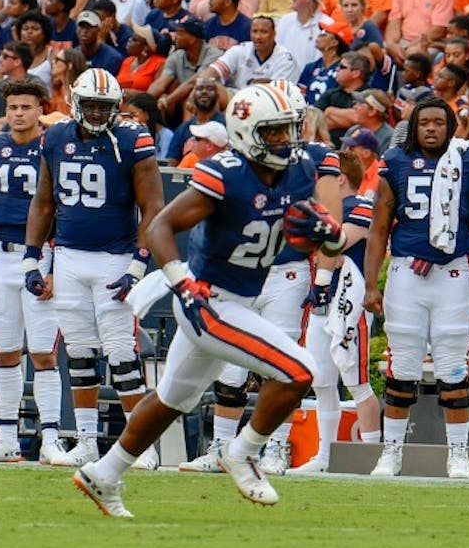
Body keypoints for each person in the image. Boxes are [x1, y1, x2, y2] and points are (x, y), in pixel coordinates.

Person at [72, 84, 338, 517]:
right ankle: (243, 451)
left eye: (290, 129)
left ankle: (103, 473)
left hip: (242, 298)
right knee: (298, 371)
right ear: (247, 132)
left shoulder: (301, 169)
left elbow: (310, 235)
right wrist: (181, 283)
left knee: (172, 399)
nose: (286, 141)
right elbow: (160, 227)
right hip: (208, 300)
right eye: (274, 132)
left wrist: (328, 234)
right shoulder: (225, 173)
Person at [22, 68, 166, 469]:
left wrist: (138, 263)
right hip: (69, 256)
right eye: (91, 106)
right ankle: (86, 441)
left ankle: (140, 446)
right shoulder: (55, 137)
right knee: (80, 353)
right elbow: (43, 202)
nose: (99, 114)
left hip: (115, 257)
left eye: (105, 107)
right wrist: (32, 258)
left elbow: (153, 205)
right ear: (75, 103)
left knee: (122, 355)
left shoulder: (132, 138)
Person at [363, 97, 469, 479]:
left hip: (452, 272)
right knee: (403, 366)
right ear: (414, 126)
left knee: (453, 366)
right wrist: (371, 284)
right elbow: (378, 228)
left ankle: (458, 454)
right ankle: (391, 452)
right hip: (407, 272)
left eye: (439, 122)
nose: (431, 128)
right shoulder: (396, 161)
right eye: (425, 122)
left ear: (450, 127)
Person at [0, 78, 64, 463]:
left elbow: (62, 209)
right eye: (13, 107)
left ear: (40, 110)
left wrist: (56, 268)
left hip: (41, 255)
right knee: (4, 352)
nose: (19, 114)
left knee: (43, 353)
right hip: (0, 255)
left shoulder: (54, 144)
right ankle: (7, 438)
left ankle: (51, 438)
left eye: (26, 107)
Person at [289, 149, 380, 473]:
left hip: (348, 303)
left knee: (357, 382)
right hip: (320, 304)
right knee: (323, 383)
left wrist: (317, 244)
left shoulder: (361, 206)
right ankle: (324, 457)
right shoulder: (323, 211)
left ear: (339, 179)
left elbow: (334, 243)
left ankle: (372, 457)